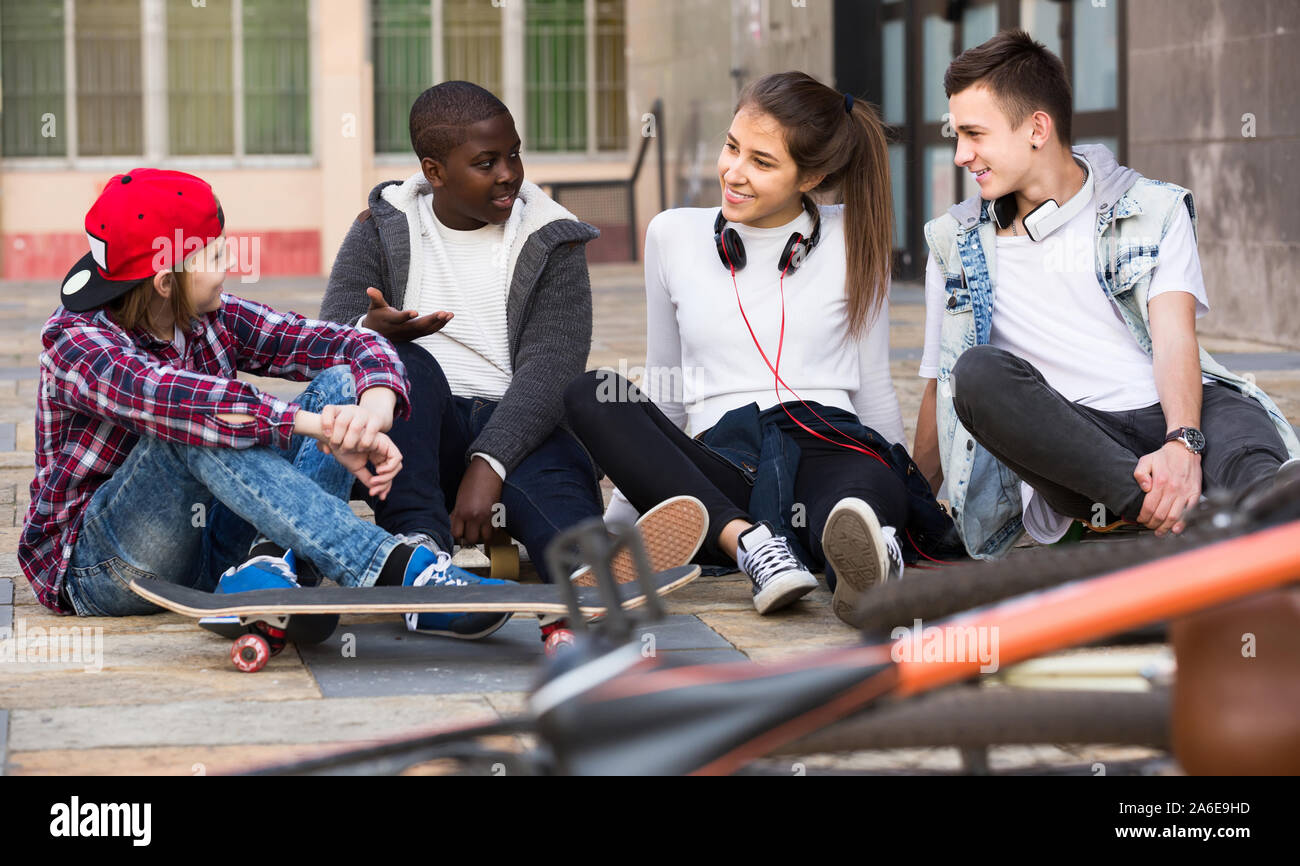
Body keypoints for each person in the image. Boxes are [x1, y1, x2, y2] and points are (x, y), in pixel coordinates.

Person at [21, 168, 520, 641]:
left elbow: (349, 344)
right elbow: (182, 403)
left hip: (212, 543)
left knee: (340, 384)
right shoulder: (74, 343)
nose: (228, 268)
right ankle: (396, 571)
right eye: (215, 258)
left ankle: (269, 567)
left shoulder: (210, 316)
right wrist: (314, 428)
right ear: (165, 282)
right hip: (103, 568)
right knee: (195, 424)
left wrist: (372, 412)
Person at [565, 72, 962, 625]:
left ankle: (869, 556)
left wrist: (911, 491)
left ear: (813, 175)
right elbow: (666, 393)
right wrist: (627, 509)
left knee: (859, 496)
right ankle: (754, 547)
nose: (734, 172)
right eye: (732, 148)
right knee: (591, 394)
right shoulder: (672, 235)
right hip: (723, 465)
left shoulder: (856, 236)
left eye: (762, 162)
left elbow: (871, 389)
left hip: (832, 443)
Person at [319, 82, 707, 647]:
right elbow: (329, 339)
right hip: (421, 434)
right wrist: (367, 331)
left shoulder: (553, 239)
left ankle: (587, 576)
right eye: (485, 162)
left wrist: (491, 463)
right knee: (409, 367)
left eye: (513, 154)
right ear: (435, 171)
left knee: (554, 485)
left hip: (519, 428)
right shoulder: (380, 227)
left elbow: (552, 368)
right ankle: (419, 559)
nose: (508, 173)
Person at [913, 29, 1300, 560]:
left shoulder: (1150, 209)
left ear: (1037, 129)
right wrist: (910, 503)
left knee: (1250, 445)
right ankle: (1184, 516)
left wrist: (1183, 442)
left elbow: (1173, 341)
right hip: (1081, 447)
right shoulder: (952, 244)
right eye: (957, 135)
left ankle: (1259, 521)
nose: (961, 155)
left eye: (974, 134)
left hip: (1180, 410)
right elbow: (942, 386)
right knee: (978, 375)